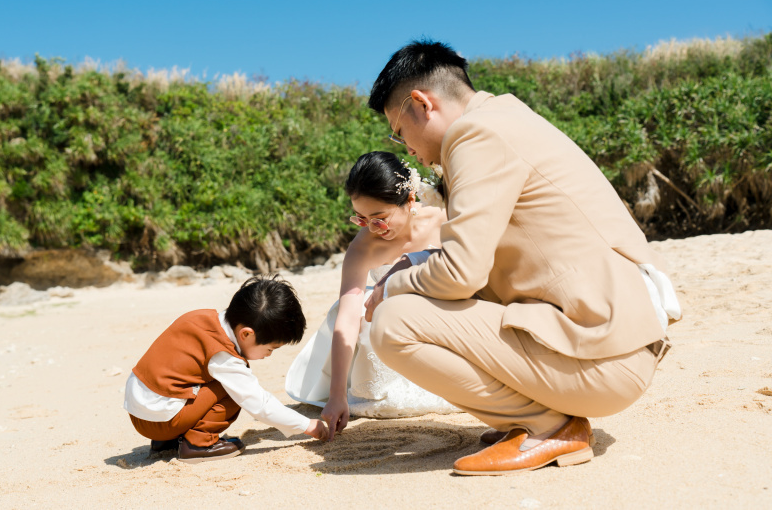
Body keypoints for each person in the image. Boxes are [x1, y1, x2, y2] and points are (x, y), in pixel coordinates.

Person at [363, 40, 682, 475]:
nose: (406, 149)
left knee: (393, 321)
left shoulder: (475, 135)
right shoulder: (507, 118)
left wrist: (388, 287)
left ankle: (548, 426)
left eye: (399, 131)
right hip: (611, 344)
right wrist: (415, 262)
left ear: (421, 103)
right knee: (415, 301)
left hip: (602, 358)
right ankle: (531, 418)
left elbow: (460, 273)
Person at [285, 151, 457, 441]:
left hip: (442, 314)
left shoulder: (445, 221)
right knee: (356, 307)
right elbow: (348, 319)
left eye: (379, 218)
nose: (372, 228)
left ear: (411, 200)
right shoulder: (363, 248)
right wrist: (338, 394)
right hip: (386, 327)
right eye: (361, 219)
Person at [124, 275, 328, 463]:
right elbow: (259, 404)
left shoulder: (201, 318)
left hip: (142, 411)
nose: (269, 355)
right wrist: (308, 426)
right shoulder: (223, 354)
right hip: (159, 421)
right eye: (270, 348)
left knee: (204, 378)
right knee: (232, 390)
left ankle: (168, 442)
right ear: (246, 334)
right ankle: (198, 444)